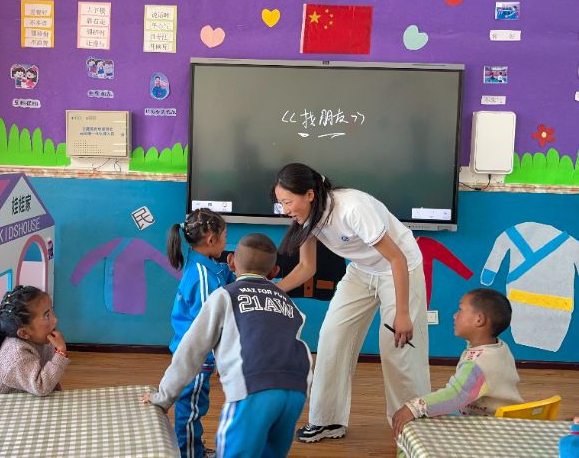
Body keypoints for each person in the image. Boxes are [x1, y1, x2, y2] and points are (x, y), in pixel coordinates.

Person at [272, 163, 430, 443]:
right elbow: (307, 267)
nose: (285, 210)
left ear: (309, 194)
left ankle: (413, 427)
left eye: (287, 202)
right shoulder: (307, 217)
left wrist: (403, 313)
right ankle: (327, 420)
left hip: (400, 268)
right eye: (281, 203)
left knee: (398, 348)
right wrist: (270, 290)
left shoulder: (351, 208)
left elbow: (397, 258)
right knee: (332, 336)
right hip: (362, 270)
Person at [143, 233, 312, 458]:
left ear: (231, 261)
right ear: (274, 272)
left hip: (252, 388)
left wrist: (163, 397)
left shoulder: (224, 296)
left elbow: (190, 350)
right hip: (297, 389)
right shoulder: (287, 303)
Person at [392, 288, 523, 435]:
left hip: (494, 428)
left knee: (417, 427)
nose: (454, 315)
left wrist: (414, 407)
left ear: (479, 320)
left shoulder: (477, 364)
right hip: (507, 420)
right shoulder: (499, 347)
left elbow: (455, 395)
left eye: (460, 310)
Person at [166, 208, 236, 458]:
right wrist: (216, 358)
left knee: (194, 404)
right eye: (225, 237)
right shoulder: (202, 276)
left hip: (193, 353)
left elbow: (221, 277)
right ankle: (189, 453)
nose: (226, 243)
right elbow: (208, 325)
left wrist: (231, 271)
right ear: (212, 239)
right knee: (191, 408)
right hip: (196, 357)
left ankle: (193, 448)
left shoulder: (202, 264)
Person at [0, 285, 69, 396]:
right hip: (1, 405)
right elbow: (41, 386)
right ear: (24, 333)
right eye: (47, 315)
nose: (55, 319)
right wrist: (60, 352)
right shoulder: (16, 356)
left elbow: (48, 377)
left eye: (51, 310)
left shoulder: (45, 341)